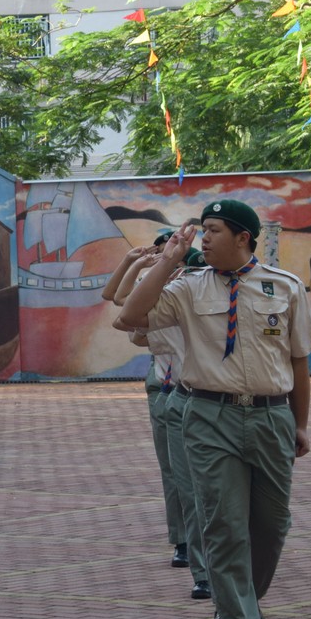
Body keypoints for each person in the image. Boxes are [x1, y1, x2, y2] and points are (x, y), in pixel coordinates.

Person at [120, 200, 311, 619]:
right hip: (209, 415)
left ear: (243, 237)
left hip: (271, 415)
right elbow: (129, 316)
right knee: (223, 524)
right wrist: (167, 260)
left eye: (213, 230)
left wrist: (300, 423)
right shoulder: (188, 286)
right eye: (202, 230)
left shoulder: (285, 287)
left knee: (271, 526)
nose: (203, 239)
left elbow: (298, 361)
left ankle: (245, 602)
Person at [107, 243, 189, 571]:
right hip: (168, 386)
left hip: (205, 391)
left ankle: (211, 539)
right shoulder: (160, 290)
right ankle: (184, 540)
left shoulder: (193, 291)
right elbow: (118, 302)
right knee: (174, 469)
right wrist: (135, 262)